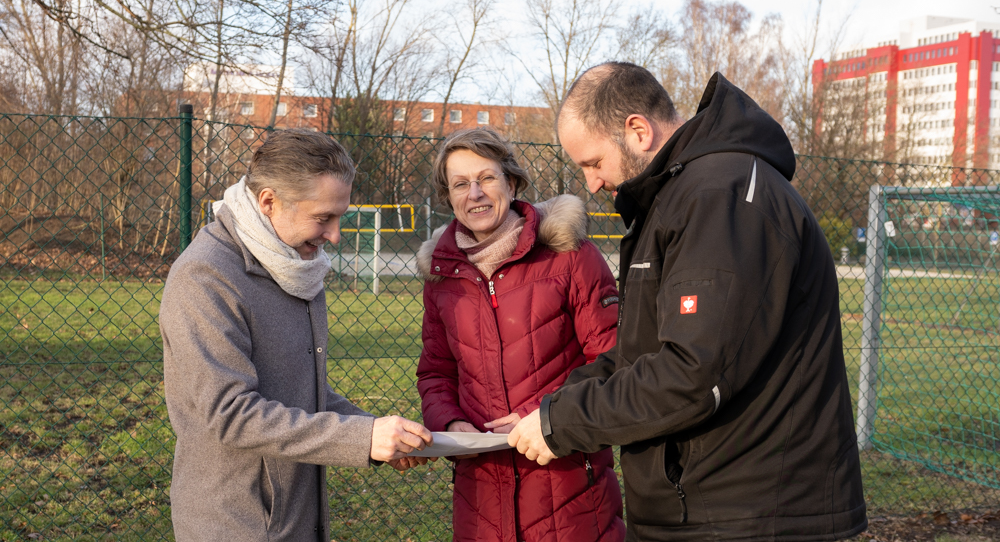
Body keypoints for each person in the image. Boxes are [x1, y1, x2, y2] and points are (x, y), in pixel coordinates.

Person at [509, 64, 868, 541]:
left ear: (637, 130)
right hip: (705, 508)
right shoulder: (678, 197)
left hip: (748, 516)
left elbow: (693, 375)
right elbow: (642, 350)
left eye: (593, 163)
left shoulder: (721, 196)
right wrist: (550, 408)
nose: (591, 184)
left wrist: (563, 423)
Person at [160, 129, 434, 542]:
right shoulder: (206, 276)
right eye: (323, 218)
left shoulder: (293, 265)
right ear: (268, 201)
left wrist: (373, 428)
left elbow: (299, 391)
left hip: (296, 516)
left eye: (339, 216)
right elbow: (230, 414)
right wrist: (362, 438)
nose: (335, 235)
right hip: (236, 524)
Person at [416, 127, 626, 542]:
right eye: (460, 184)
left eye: (486, 178)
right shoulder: (441, 277)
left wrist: (544, 414)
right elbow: (435, 372)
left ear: (511, 184)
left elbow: (613, 357)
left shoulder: (570, 255)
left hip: (567, 485)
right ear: (449, 197)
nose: (474, 193)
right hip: (480, 496)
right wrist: (451, 421)